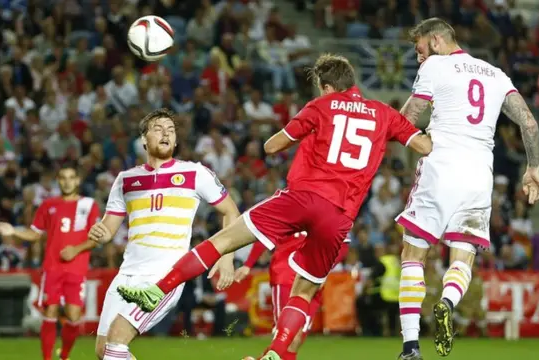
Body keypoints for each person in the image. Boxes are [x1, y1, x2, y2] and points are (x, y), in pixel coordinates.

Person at [113, 53, 433, 360]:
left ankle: (156, 290)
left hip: (302, 199)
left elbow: (272, 146)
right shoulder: (383, 113)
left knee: (223, 241)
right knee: (304, 293)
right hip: (340, 219)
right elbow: (424, 145)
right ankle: (275, 354)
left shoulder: (321, 106)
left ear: (325, 86)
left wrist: (306, 132)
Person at [394, 18, 539, 360]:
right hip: (479, 176)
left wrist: (386, 131)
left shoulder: (435, 65)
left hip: (441, 166)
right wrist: (532, 167)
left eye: (419, 50)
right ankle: (447, 302)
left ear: (434, 41)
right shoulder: (495, 74)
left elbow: (411, 115)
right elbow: (529, 122)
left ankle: (411, 346)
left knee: (413, 253)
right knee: (463, 255)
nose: (419, 58)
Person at [85, 109, 240, 360]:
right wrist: (99, 232)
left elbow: (231, 212)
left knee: (116, 343)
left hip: (164, 275)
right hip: (126, 275)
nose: (166, 133)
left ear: (176, 141)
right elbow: (108, 230)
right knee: (104, 351)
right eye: (158, 129)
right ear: (143, 140)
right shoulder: (125, 180)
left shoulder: (195, 173)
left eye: (171, 130)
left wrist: (227, 257)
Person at [0, 163, 100, 360]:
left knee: (74, 316)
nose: (67, 182)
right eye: (63, 178)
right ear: (58, 181)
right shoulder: (48, 205)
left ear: (77, 180)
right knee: (50, 310)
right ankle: (47, 358)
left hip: (77, 269)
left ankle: (64, 355)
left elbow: (96, 238)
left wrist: (75, 250)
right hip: (52, 267)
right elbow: (35, 234)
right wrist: (14, 231)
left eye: (71, 178)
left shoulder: (88, 205)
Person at [236, 232, 351, 360]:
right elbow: (265, 235)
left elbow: (344, 244)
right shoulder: (285, 212)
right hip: (285, 275)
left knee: (297, 339)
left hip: (312, 279)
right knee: (288, 337)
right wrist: (248, 264)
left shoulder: (332, 215)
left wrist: (326, 268)